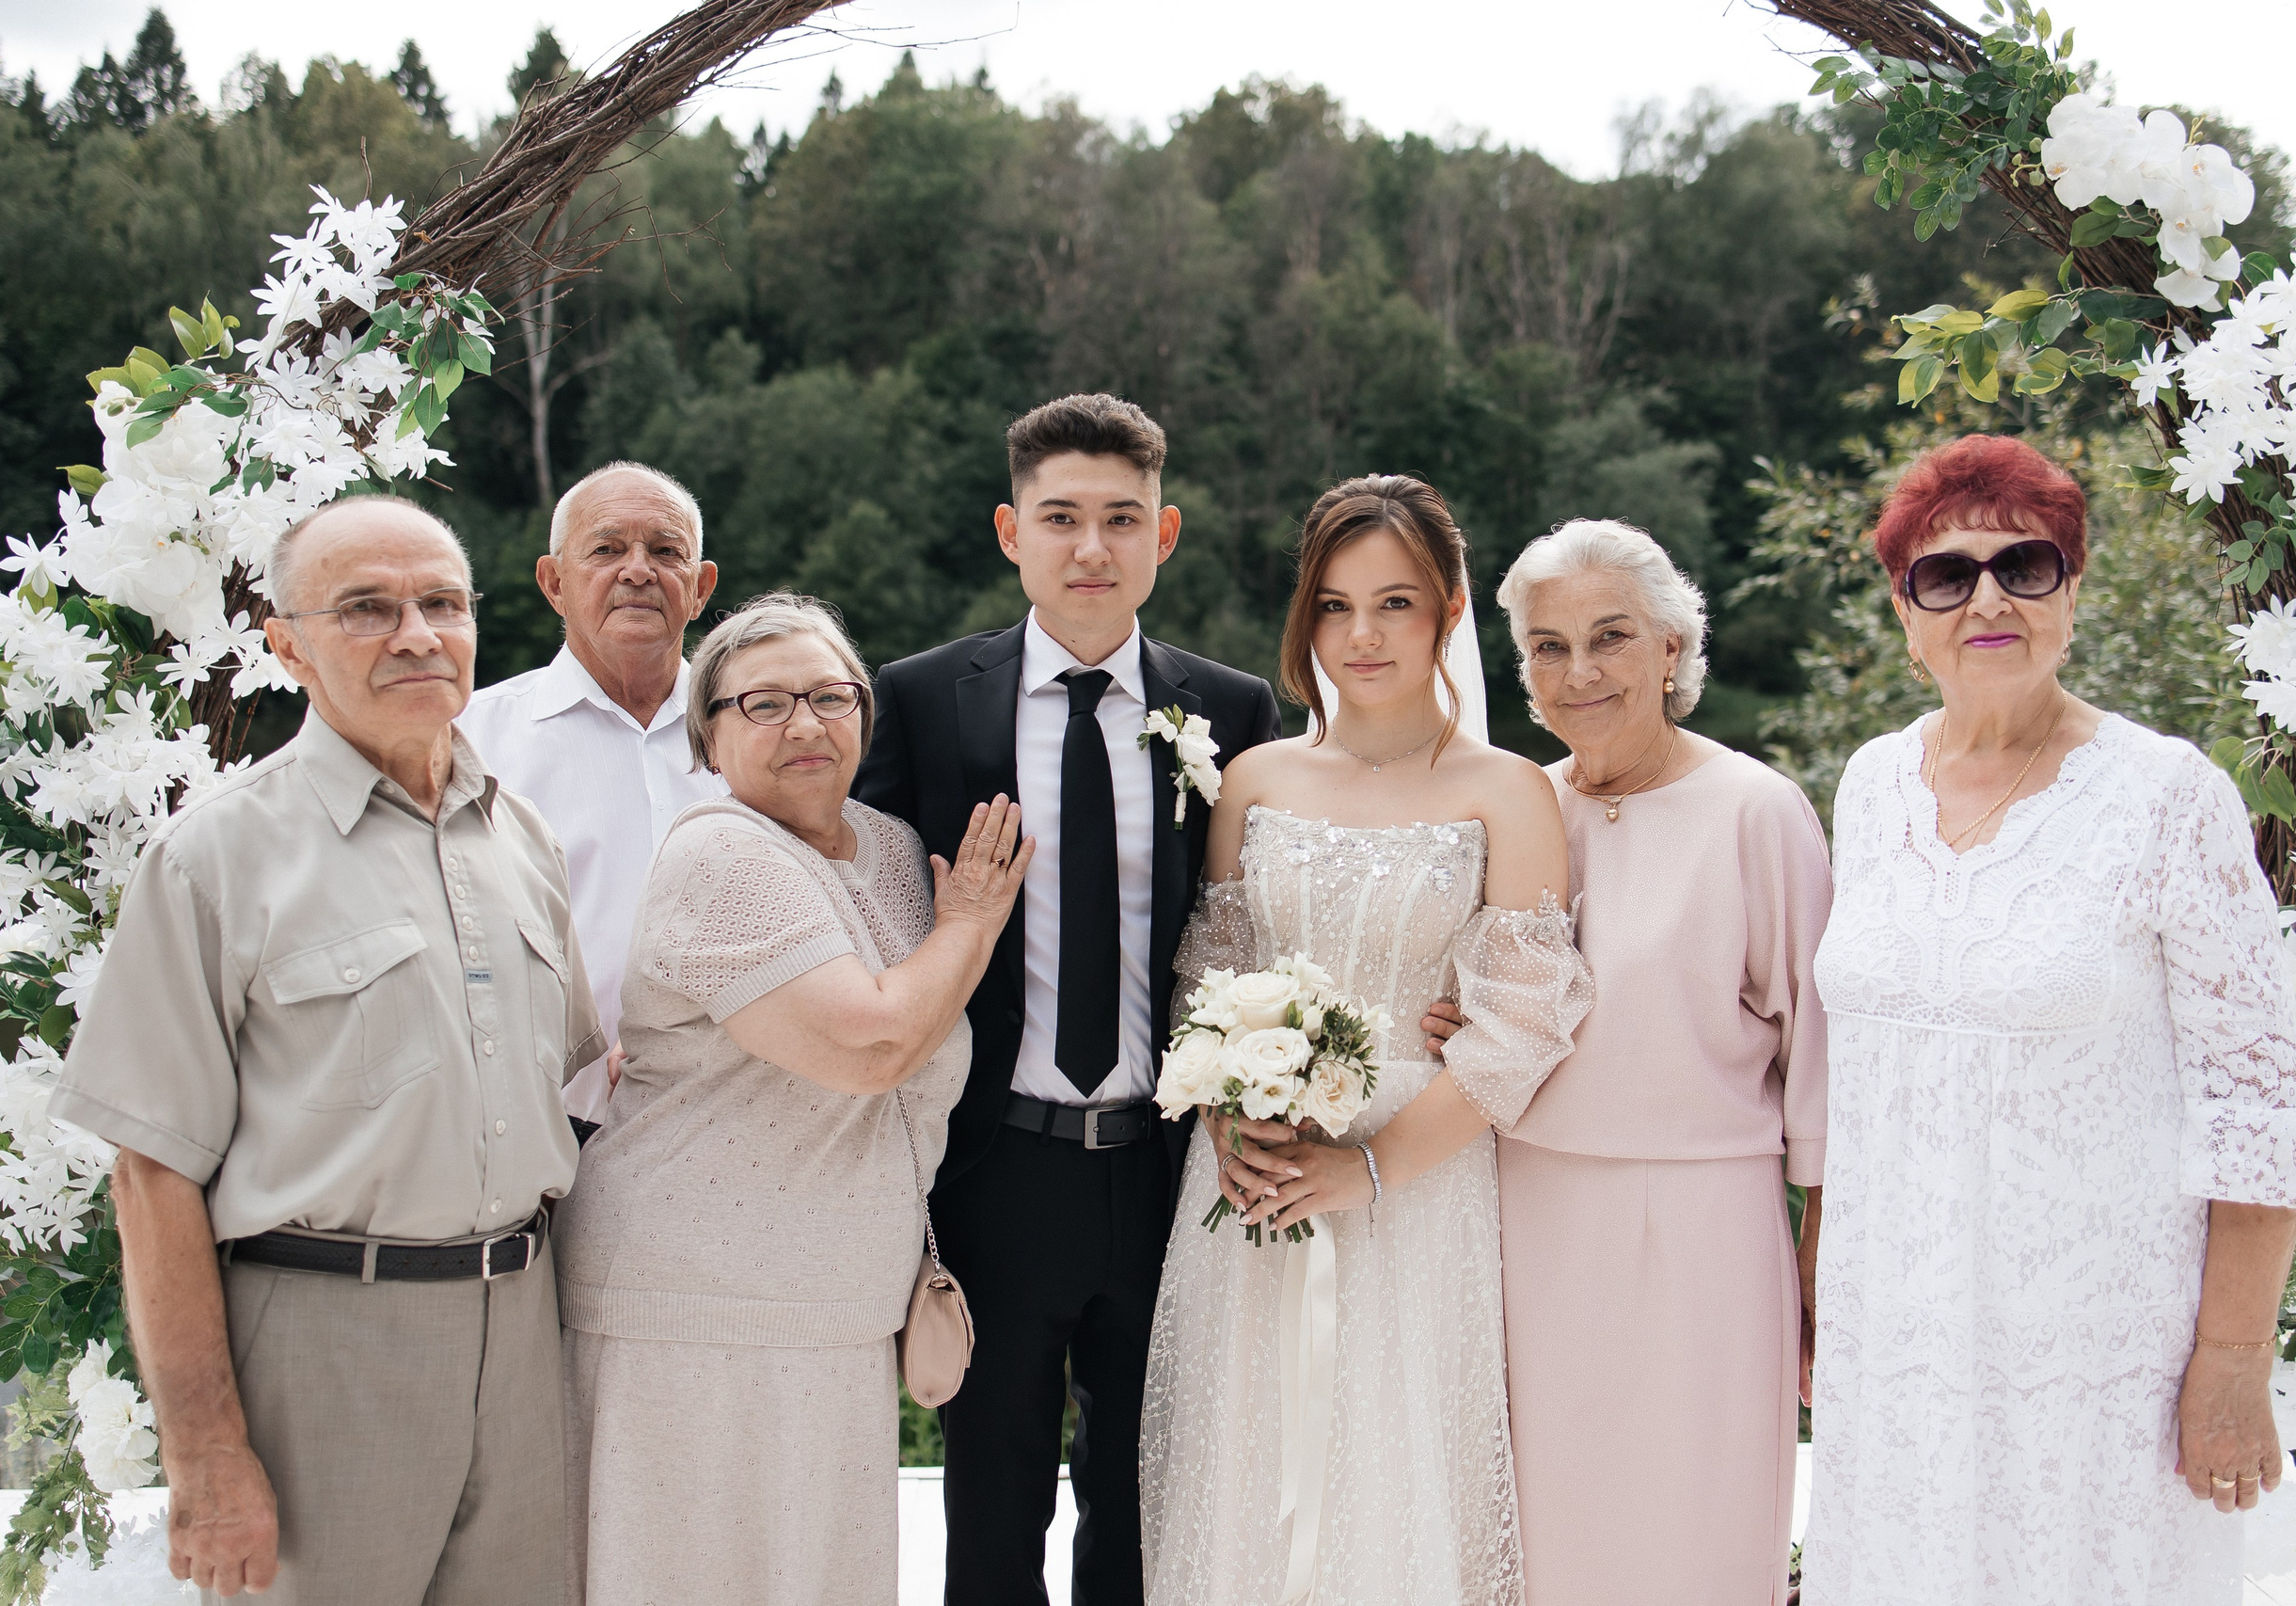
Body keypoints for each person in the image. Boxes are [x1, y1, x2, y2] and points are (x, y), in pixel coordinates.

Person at [50, 497, 605, 1603]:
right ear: (286, 644)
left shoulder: (522, 836)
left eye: (442, 603)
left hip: (526, 1338)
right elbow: (150, 1173)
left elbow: (573, 1085)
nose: (416, 634)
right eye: (367, 608)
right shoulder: (214, 859)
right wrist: (204, 1455)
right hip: (322, 1352)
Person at [1802, 435, 2296, 1605]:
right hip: (1899, 1333)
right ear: (1905, 613)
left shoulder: (2168, 795)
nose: (1986, 597)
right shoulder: (1871, 786)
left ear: (2071, 591)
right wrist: (1825, 1285)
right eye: (1945, 576)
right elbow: (1862, 1071)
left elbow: (2254, 1097)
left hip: (2095, 1351)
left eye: (2023, 566)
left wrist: (2233, 1358)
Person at [854, 394, 1282, 1604]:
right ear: (1010, 532)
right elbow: (870, 902)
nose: (1091, 548)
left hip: (1165, 1161)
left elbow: (1258, 918)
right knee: (991, 1495)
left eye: (1120, 520)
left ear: (1166, 533)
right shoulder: (929, 698)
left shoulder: (1233, 710)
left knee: (1146, 1486)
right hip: (996, 1161)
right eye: (1061, 520)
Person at [1139, 475, 1593, 1606]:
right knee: (1248, 1460)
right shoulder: (1254, 781)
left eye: (1393, 603)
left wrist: (1367, 1168)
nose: (1361, 634)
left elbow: (1518, 1027)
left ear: (1447, 610)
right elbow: (1208, 983)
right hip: (1256, 1178)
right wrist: (1231, 1116)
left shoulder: (1509, 794)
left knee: (1395, 1468)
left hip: (1420, 1183)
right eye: (1335, 606)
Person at [556, 592, 1030, 1603]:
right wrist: (976, 923)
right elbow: (873, 1042)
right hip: (694, 1306)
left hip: (835, 1307)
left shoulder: (894, 850)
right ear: (708, 736)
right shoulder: (721, 853)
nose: (805, 724)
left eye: (829, 696)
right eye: (762, 704)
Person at [1421, 517, 1831, 1604]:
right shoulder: (1514, 807)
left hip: (1703, 1235)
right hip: (1527, 1223)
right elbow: (1483, 1010)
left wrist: (1820, 1267)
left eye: (1610, 637)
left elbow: (1825, 1071)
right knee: (1544, 1550)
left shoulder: (1757, 811)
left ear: (1669, 647)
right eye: (1549, 648)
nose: (1581, 671)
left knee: (1697, 1536)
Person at [459, 460, 726, 1129]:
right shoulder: (470, 740)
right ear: (553, 582)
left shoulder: (757, 732)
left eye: (666, 552)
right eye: (607, 549)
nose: (637, 570)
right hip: (532, 1124)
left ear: (700, 587)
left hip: (731, 1118)